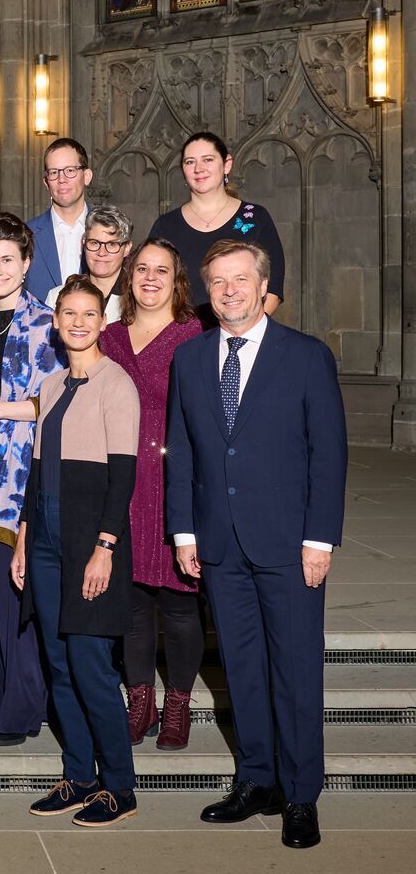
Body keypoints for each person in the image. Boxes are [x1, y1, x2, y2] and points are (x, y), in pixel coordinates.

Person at [166, 240, 345, 850]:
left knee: (295, 670)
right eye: (218, 282)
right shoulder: (189, 361)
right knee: (241, 669)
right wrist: (185, 531)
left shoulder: (305, 356)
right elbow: (182, 450)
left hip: (290, 544)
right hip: (219, 544)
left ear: (263, 284)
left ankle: (301, 796)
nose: (230, 291)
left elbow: (329, 455)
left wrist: (320, 539)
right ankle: (257, 780)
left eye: (240, 280)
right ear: (207, 290)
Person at [12, 275, 140, 827]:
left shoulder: (118, 385)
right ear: (57, 322)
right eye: (69, 314)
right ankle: (79, 777)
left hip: (90, 542)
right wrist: (21, 538)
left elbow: (123, 478)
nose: (79, 322)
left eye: (89, 314)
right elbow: (37, 473)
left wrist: (105, 547)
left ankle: (120, 787)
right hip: (44, 541)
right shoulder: (56, 384)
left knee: (90, 667)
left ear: (102, 321)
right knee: (59, 665)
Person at [99, 238, 203, 749]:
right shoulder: (109, 336)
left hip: (173, 478)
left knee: (180, 602)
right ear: (128, 276)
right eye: (141, 268)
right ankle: (140, 699)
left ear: (176, 280)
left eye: (162, 270)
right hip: (121, 479)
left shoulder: (193, 335)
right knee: (133, 601)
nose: (150, 278)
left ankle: (179, 704)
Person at [0, 212, 59, 747]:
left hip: (20, 474)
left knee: (13, 595)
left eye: (7, 259)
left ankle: (21, 708)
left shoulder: (44, 322)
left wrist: (0, 410)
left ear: (26, 263)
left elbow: (55, 397)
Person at [147, 131, 285, 325]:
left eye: (208, 159)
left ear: (226, 164)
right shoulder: (166, 225)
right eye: (190, 162)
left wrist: (242, 332)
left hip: (241, 336)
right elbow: (151, 286)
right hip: (180, 339)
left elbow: (273, 289)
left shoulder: (256, 218)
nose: (198, 169)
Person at [25, 138, 93, 301]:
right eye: (54, 172)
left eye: (70, 170)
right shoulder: (26, 235)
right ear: (46, 182)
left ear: (86, 176)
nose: (62, 179)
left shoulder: (109, 232)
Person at [44, 205, 131, 324]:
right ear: (84, 243)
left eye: (111, 244)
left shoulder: (138, 297)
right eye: (94, 243)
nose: (101, 252)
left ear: (126, 248)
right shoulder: (56, 296)